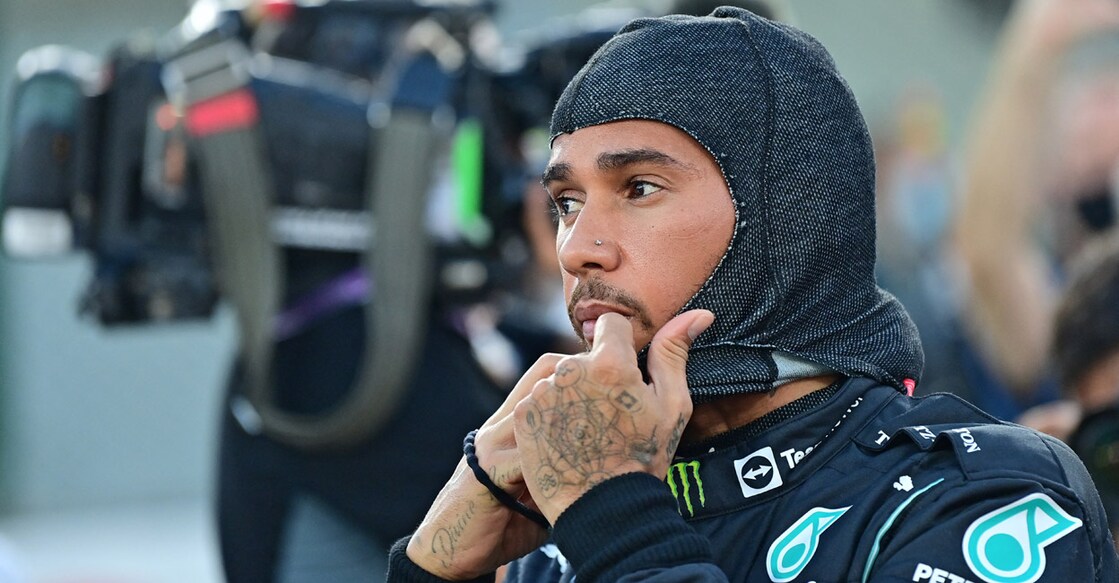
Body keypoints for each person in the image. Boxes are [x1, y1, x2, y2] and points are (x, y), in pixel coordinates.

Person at [384, 7, 1118, 582]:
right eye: (567, 200)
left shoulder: (983, 502)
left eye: (637, 187)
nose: (576, 247)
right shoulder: (557, 537)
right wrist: (432, 567)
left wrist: (614, 520)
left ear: (785, 218)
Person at [953, 0, 1119, 424]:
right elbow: (991, 249)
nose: (1096, 121)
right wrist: (1038, 43)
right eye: (1095, 100)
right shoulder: (1080, 314)